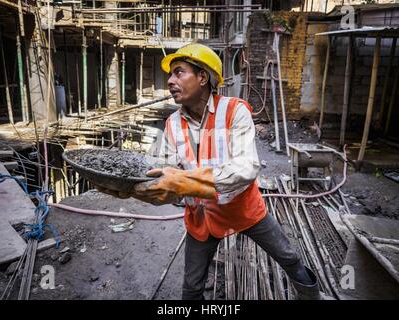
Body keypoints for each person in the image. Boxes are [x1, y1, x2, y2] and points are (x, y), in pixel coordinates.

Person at [98, 43, 321, 300]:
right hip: (201, 217)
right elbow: (166, 177)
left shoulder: (234, 111)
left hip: (243, 208)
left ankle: (311, 297)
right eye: (170, 75)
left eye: (178, 72)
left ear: (202, 77)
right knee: (192, 287)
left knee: (289, 257)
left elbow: (246, 167)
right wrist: (131, 190)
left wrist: (183, 182)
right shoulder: (171, 123)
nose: (170, 81)